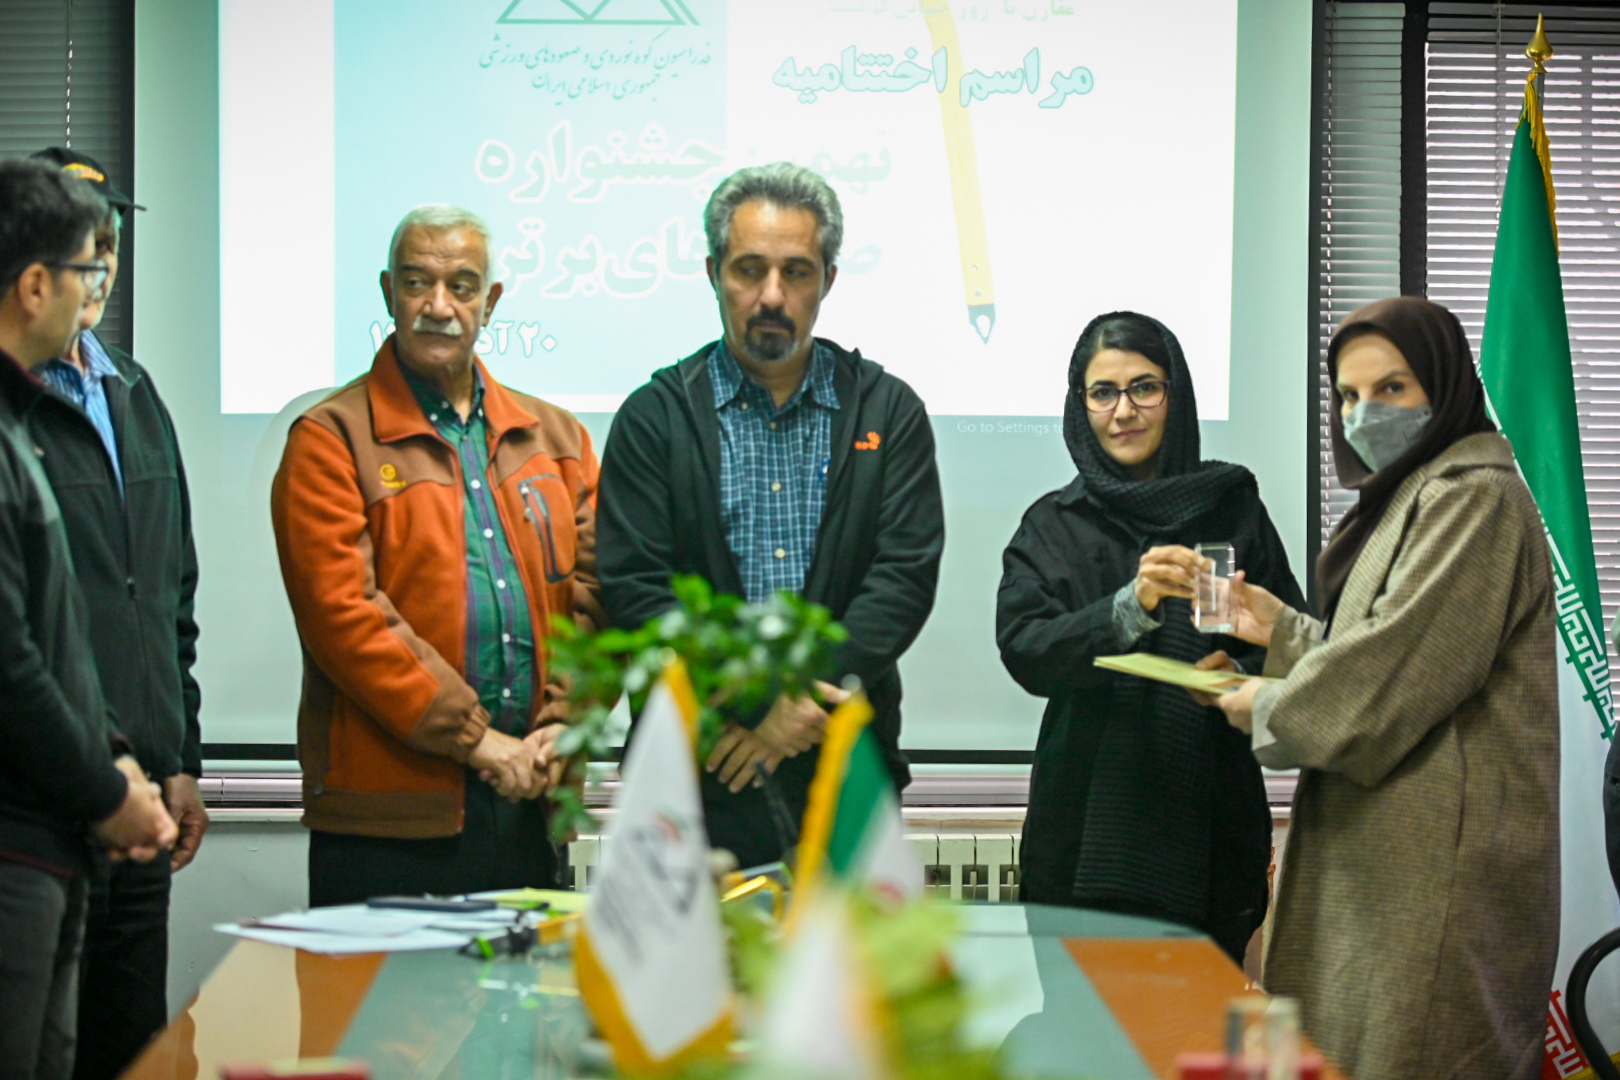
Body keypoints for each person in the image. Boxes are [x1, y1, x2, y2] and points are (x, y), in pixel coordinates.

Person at [1213, 298, 1558, 1080]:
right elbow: (1390, 649)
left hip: (1435, 882)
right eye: (1348, 395)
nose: (1364, 413)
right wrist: (1284, 631)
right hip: (1384, 869)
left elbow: (1391, 681)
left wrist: (1261, 703)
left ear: (1445, 384)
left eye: (1393, 388)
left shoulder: (1475, 497)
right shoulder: (1409, 495)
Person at [596, 163, 944, 869]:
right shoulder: (654, 417)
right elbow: (637, 589)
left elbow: (902, 579)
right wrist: (760, 705)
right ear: (713, 273)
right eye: (749, 270)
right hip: (696, 773)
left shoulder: (889, 411)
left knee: (852, 949)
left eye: (797, 272)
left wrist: (797, 708)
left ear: (829, 279)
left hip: (845, 767)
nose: (773, 296)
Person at [271, 204, 603, 906]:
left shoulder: (559, 440)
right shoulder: (330, 439)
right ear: (388, 292)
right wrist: (479, 741)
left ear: (492, 301)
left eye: (462, 285)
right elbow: (345, 618)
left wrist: (562, 725)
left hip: (532, 801)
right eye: (418, 282)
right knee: (379, 988)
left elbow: (600, 601)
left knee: (530, 984)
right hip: (388, 824)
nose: (439, 306)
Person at [995, 311, 1305, 963]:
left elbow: (1292, 649)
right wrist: (1128, 608)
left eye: (1144, 388)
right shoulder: (1054, 524)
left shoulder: (1233, 509)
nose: (1123, 411)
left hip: (1210, 833)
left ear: (1176, 394)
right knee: (1080, 1027)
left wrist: (1233, 678)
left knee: (1197, 1025)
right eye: (1102, 392)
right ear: (1080, 405)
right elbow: (1027, 651)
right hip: (1081, 841)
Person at [25, 148, 207, 1080]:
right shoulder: (13, 406)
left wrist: (181, 762)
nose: (100, 266)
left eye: (111, 245)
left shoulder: (134, 392)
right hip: (47, 806)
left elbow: (171, 594)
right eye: (83, 246)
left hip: (143, 802)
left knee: (132, 1049)